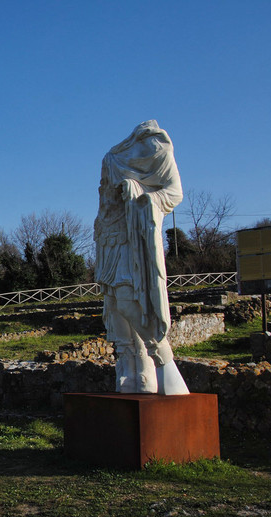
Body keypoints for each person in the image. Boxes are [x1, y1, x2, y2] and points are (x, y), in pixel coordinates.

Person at [94, 120, 189, 395]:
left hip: (134, 233)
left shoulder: (158, 151)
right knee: (113, 305)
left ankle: (162, 359)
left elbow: (174, 193)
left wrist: (143, 196)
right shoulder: (112, 156)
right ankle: (132, 370)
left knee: (128, 299)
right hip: (108, 233)